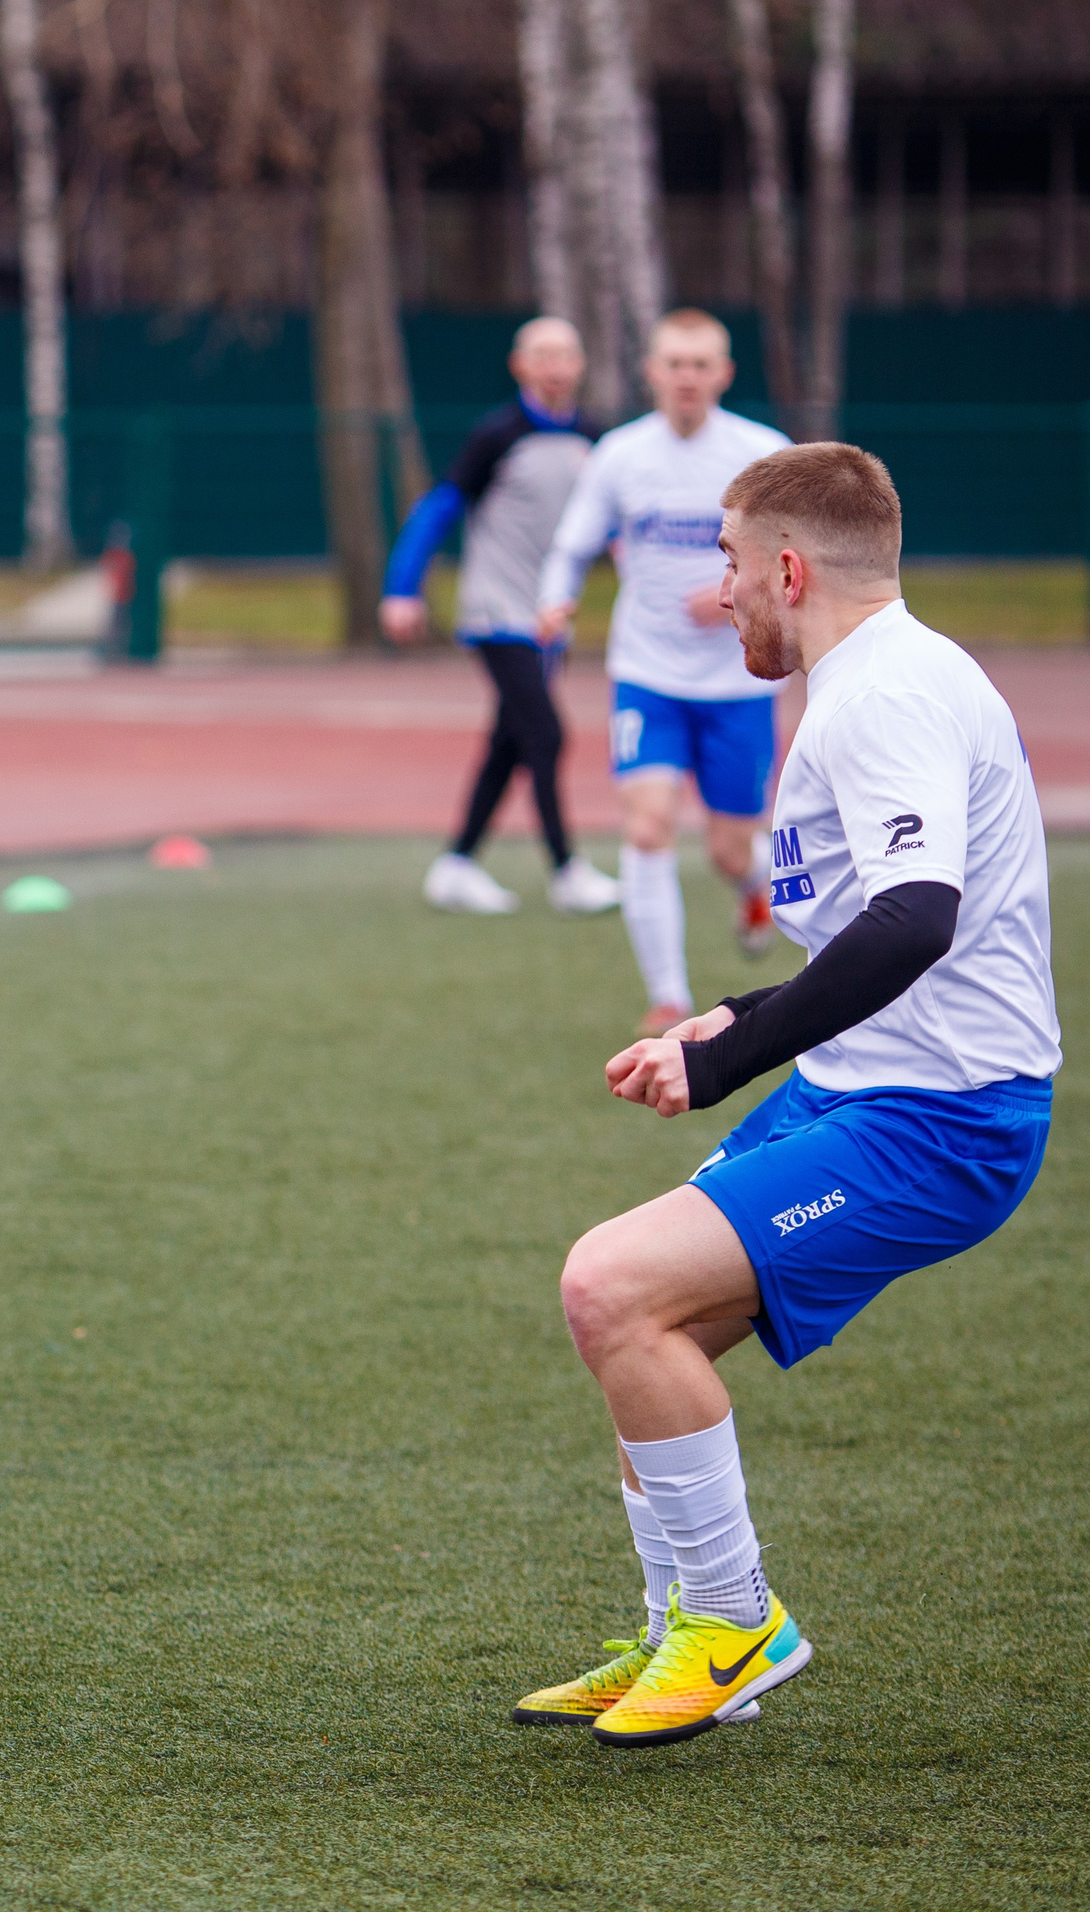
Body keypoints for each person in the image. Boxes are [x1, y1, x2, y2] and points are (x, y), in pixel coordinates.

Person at [513, 443, 1058, 1747]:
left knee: (611, 1284)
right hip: (861, 1088)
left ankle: (734, 1624)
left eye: (729, 562)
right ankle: (685, 1634)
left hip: (942, 1122)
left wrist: (727, 1054)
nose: (719, 593)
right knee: (637, 1326)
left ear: (791, 569)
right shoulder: (870, 678)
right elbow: (878, 935)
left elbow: (916, 919)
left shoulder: (889, 693)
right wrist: (735, 1014)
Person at [538, 310, 791, 1034]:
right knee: (647, 826)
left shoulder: (763, 454)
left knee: (728, 849)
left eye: (700, 364)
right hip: (647, 674)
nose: (687, 377)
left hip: (738, 682)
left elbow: (797, 558)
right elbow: (572, 544)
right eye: (674, 363)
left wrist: (739, 592)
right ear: (651, 371)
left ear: (724, 374)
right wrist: (554, 600)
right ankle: (669, 996)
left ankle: (754, 883)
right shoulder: (619, 455)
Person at [383, 316, 619, 919]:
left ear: (580, 365)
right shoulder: (496, 435)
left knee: (510, 743)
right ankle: (566, 871)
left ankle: (456, 865)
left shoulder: (596, 440)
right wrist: (402, 588)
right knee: (545, 733)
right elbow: (439, 508)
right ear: (520, 366)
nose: (555, 366)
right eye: (542, 355)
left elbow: (616, 520)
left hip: (550, 616)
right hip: (497, 612)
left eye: (565, 355)